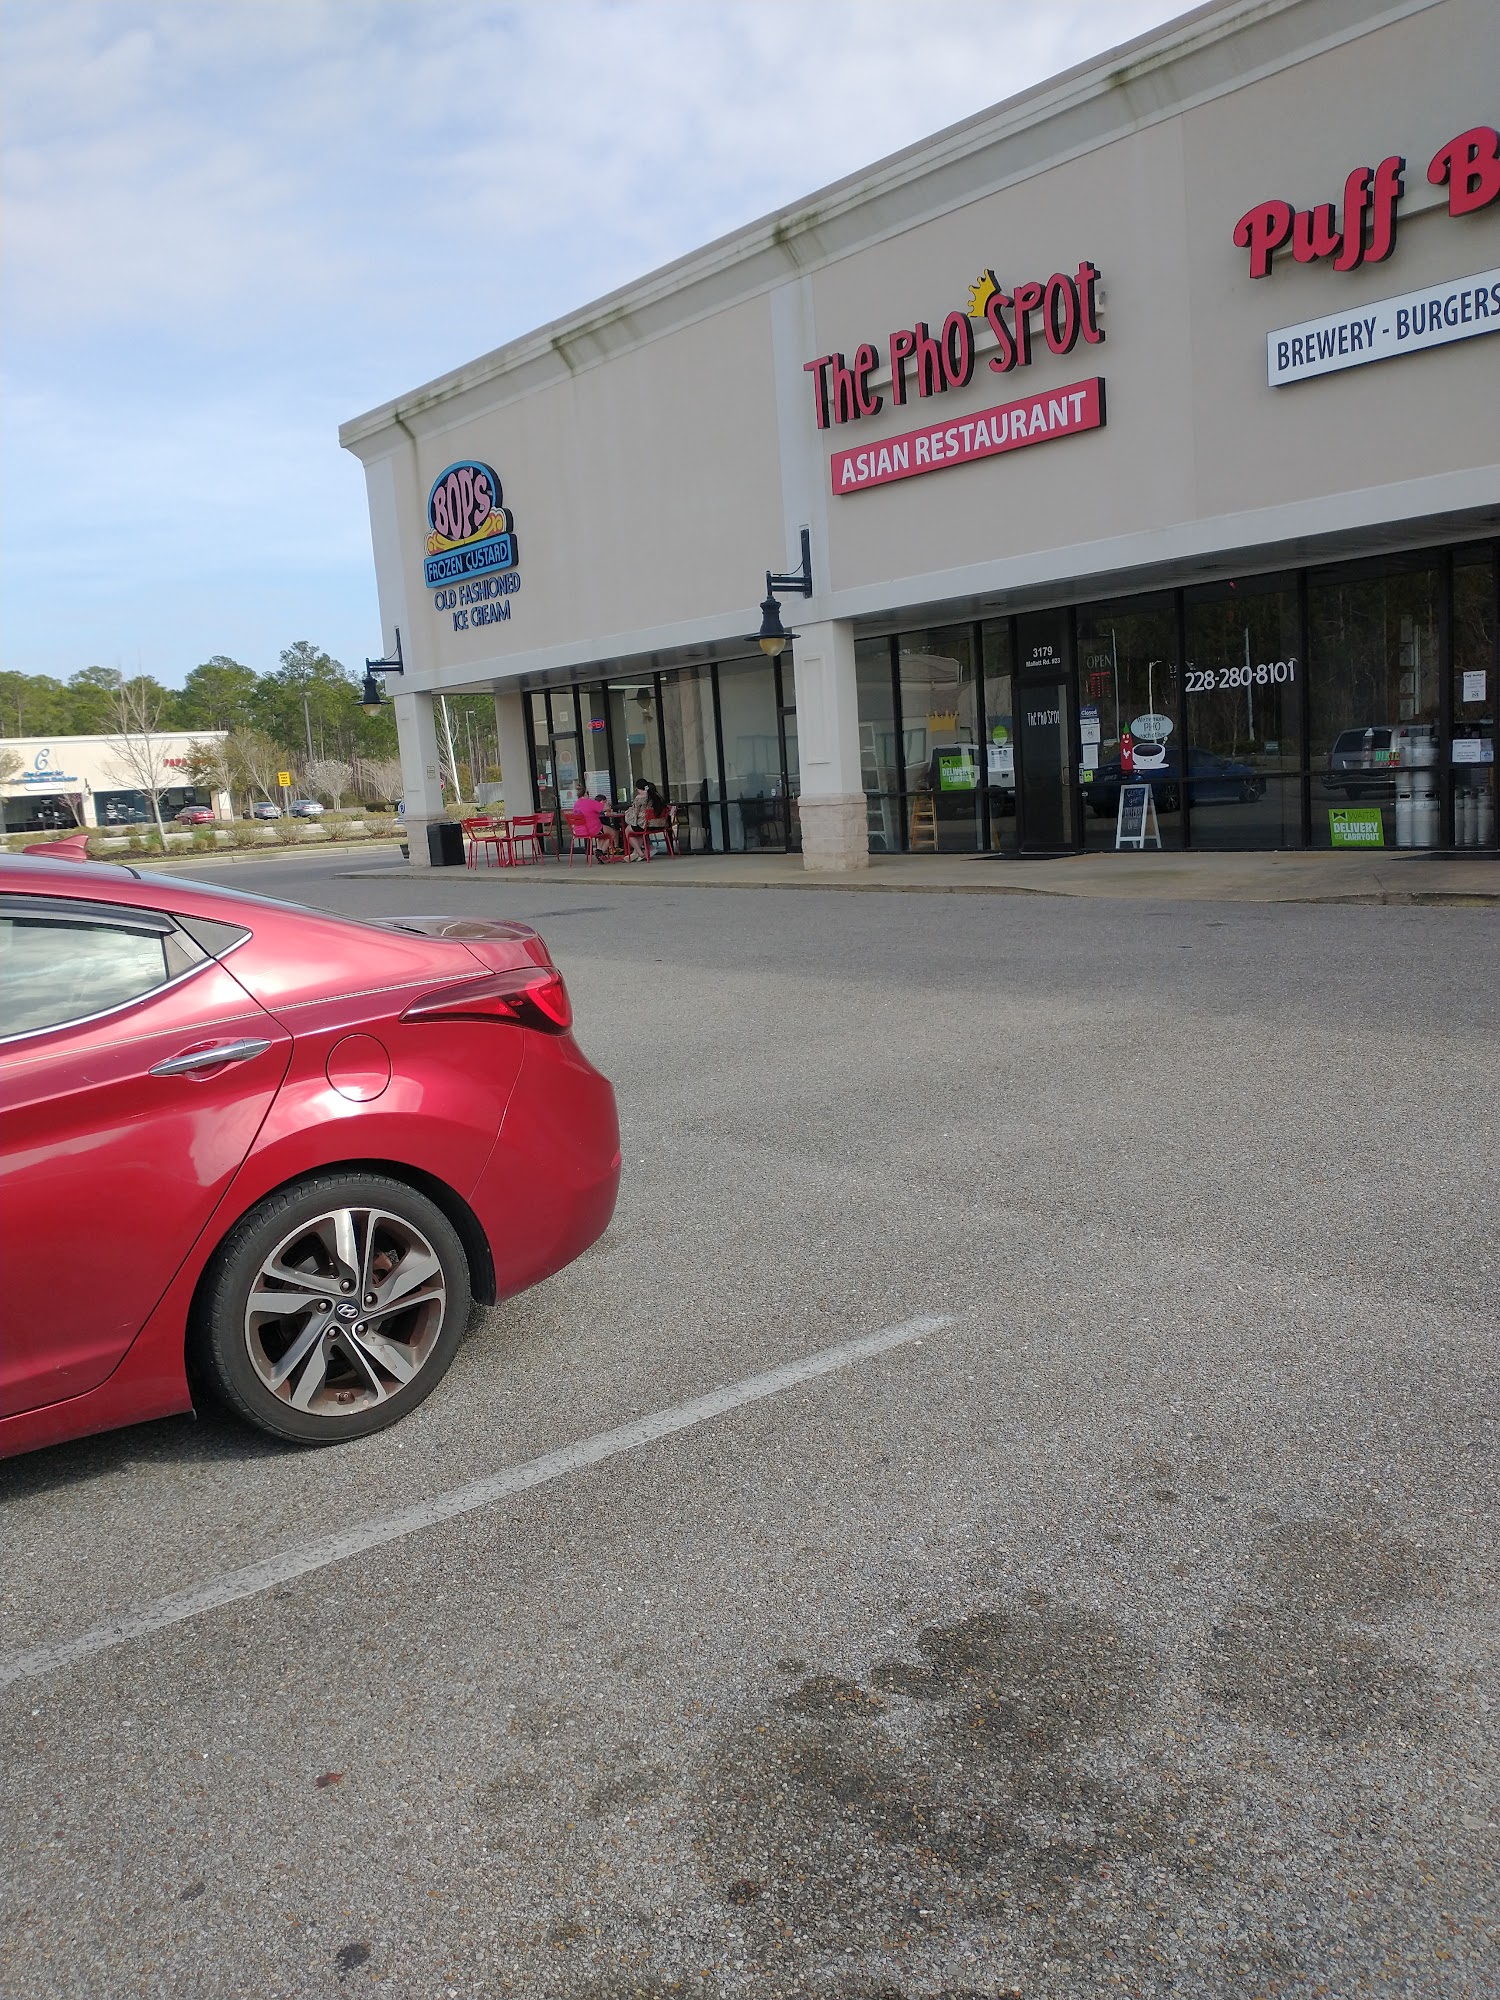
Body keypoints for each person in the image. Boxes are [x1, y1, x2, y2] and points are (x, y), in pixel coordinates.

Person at [570, 790, 615, 856]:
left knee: (602, 834)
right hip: (592, 829)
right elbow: (605, 808)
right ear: (586, 794)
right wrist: (607, 804)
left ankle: (599, 850)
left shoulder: (576, 804)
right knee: (612, 833)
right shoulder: (589, 802)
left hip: (578, 831)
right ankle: (601, 852)